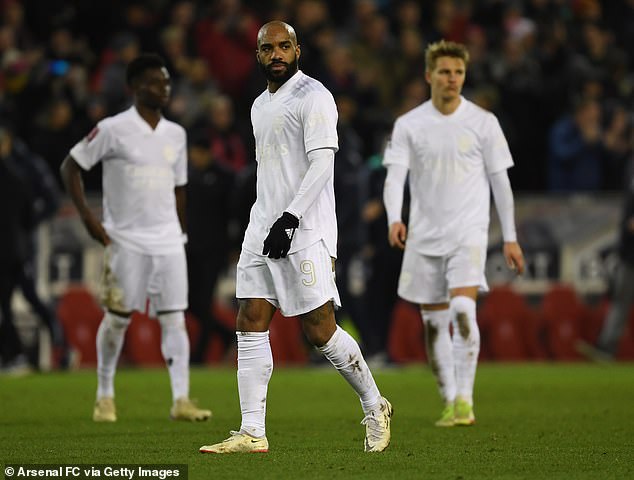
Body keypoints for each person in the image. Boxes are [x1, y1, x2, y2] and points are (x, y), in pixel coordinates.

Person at [199, 21, 392, 454]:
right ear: (259, 55)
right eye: (269, 48)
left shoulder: (315, 97)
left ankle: (374, 404)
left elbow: (322, 163)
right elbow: (271, 170)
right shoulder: (257, 106)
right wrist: (267, 219)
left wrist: (290, 218)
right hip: (262, 226)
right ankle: (253, 432)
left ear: (298, 49)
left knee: (321, 331)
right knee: (249, 319)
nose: (277, 54)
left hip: (304, 229)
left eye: (285, 46)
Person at [60, 53, 211, 423]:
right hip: (125, 238)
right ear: (135, 87)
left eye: (166, 82)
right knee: (118, 318)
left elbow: (180, 189)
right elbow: (71, 166)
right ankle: (105, 395)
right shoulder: (113, 128)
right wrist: (89, 220)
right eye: (156, 82)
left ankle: (181, 399)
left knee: (174, 318)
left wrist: (181, 230)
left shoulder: (177, 133)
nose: (164, 88)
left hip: (168, 241)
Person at [382, 40, 524, 427]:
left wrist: (509, 236)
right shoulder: (409, 124)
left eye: (458, 72)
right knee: (433, 323)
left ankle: (466, 399)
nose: (452, 79)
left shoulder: (483, 122)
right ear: (429, 75)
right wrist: (395, 217)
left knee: (463, 309)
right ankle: (448, 398)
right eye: (445, 72)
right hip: (424, 237)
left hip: (468, 233)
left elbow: (501, 184)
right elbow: (394, 178)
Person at [577, 159, 634, 362]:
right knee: (620, 301)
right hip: (629, 251)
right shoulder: (630, 164)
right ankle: (606, 347)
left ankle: (607, 347)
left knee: (620, 302)